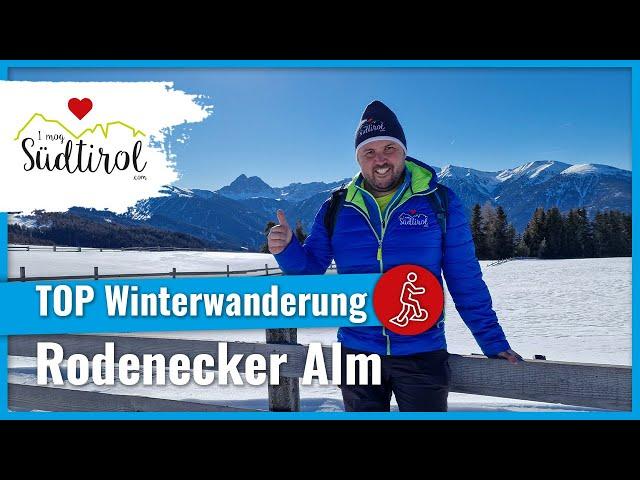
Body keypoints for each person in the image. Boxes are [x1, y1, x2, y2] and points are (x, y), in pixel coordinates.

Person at [268, 100, 521, 412]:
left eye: (389, 148)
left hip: (421, 352)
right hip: (357, 353)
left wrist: (493, 342)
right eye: (369, 152)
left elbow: (465, 279)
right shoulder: (337, 208)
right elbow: (308, 274)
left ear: (404, 150)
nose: (380, 160)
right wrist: (288, 250)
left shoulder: (439, 202)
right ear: (358, 158)